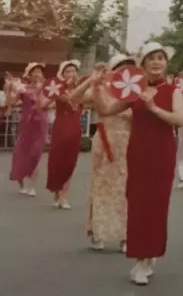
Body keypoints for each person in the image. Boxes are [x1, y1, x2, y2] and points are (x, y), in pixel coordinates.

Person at [92, 42, 183, 285]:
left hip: (162, 153)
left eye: (160, 58)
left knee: (157, 206)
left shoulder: (173, 91)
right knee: (137, 204)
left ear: (166, 63)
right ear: (142, 64)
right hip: (138, 153)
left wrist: (153, 108)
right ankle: (141, 258)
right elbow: (106, 110)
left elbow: (179, 119)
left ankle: (148, 257)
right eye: (151, 58)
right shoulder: (134, 90)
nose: (156, 62)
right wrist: (96, 86)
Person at [68, 54, 135, 252]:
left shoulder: (135, 92)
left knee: (127, 188)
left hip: (129, 141)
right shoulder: (102, 89)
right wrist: (91, 79)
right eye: (120, 67)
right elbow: (74, 98)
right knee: (102, 185)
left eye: (129, 67)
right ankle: (98, 231)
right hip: (105, 141)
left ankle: (125, 236)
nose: (124, 71)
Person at [5, 63, 48, 196]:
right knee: (20, 153)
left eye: (40, 71)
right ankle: (22, 184)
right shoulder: (23, 88)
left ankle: (32, 186)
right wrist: (9, 89)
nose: (37, 73)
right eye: (35, 71)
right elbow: (11, 102)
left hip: (40, 124)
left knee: (35, 154)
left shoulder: (47, 88)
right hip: (26, 124)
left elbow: (48, 103)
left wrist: (41, 89)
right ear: (29, 75)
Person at [45, 59, 83, 209]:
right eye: (68, 71)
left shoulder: (81, 90)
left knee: (70, 162)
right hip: (60, 127)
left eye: (73, 71)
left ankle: (64, 196)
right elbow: (44, 103)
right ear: (62, 74)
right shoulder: (58, 90)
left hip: (75, 128)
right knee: (58, 160)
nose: (71, 74)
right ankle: (56, 191)